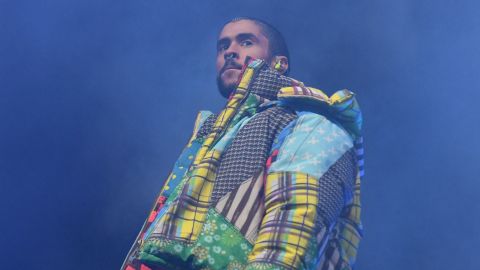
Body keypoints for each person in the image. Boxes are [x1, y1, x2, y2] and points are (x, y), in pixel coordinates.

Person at [122, 17, 364, 270]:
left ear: (279, 63)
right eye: (222, 47)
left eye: (246, 42)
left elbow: (295, 225)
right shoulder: (209, 136)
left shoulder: (313, 124)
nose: (230, 52)